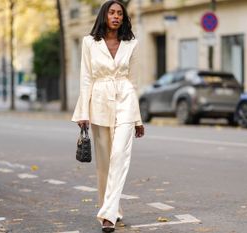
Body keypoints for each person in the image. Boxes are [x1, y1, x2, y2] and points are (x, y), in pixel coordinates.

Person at [71, 1, 145, 232]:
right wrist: (83, 111)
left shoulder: (131, 43)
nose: (116, 16)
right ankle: (111, 207)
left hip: (125, 102)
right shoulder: (89, 43)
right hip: (99, 102)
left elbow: (133, 82)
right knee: (104, 164)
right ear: (104, 15)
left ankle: (109, 216)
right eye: (112, 12)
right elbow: (85, 79)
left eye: (120, 13)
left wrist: (138, 119)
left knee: (120, 157)